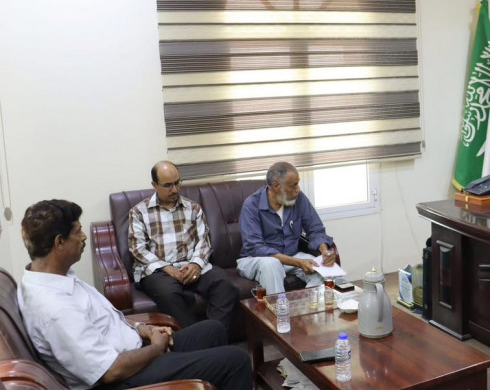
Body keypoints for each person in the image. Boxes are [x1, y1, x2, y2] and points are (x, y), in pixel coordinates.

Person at [18, 199, 251, 390]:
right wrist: (156, 348)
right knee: (236, 360)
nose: (84, 237)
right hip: (125, 377)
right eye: (78, 232)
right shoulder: (55, 309)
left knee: (213, 329)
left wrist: (142, 328)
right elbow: (110, 371)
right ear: (59, 242)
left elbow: (104, 319)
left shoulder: (58, 277)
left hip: (134, 351)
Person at [129, 161, 238, 338]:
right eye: (168, 185)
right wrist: (167, 268)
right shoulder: (139, 212)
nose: (174, 190)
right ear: (154, 185)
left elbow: (204, 241)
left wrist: (196, 264)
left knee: (224, 285)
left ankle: (214, 338)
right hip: (159, 271)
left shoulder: (193, 208)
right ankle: (195, 343)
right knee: (169, 294)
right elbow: (138, 249)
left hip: (191, 265)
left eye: (177, 183)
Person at [238, 162, 336, 294]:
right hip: (256, 259)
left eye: (298, 184)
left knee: (323, 270)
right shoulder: (251, 205)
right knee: (272, 265)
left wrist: (324, 252)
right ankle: (279, 307)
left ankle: (308, 305)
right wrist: (298, 262)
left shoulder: (299, 198)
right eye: (293, 185)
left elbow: (315, 229)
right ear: (276, 186)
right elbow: (256, 247)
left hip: (292, 255)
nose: (298, 189)